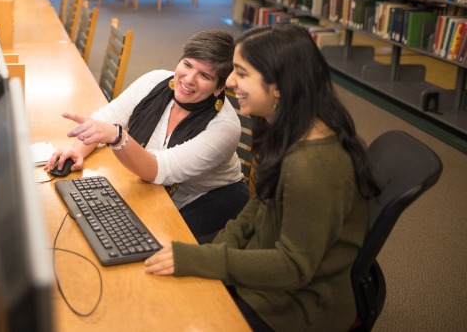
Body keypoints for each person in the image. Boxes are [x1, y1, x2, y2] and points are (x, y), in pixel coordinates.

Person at [144, 24, 379, 332]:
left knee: (165, 311)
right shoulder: (287, 128)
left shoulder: (312, 166)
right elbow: (259, 205)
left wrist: (204, 261)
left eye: (241, 73)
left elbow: (293, 267)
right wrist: (213, 251)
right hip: (258, 264)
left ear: (279, 87)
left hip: (293, 306)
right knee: (155, 269)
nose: (228, 81)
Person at [48, 29, 248, 242]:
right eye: (187, 65)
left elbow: (157, 170)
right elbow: (104, 121)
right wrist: (76, 151)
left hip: (208, 196)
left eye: (205, 76)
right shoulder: (154, 81)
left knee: (146, 240)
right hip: (157, 184)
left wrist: (118, 137)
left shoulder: (224, 127)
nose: (189, 79)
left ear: (219, 88)